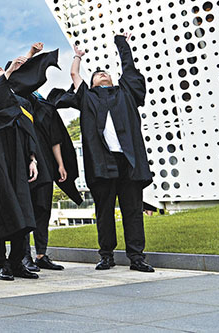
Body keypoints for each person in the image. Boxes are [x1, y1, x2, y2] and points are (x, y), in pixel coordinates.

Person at [71, 32, 155, 272]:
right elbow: (75, 75)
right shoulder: (87, 97)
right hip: (102, 163)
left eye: (105, 73)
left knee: (133, 212)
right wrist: (77, 57)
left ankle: (137, 258)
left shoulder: (125, 93)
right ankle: (106, 256)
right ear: (93, 82)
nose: (101, 74)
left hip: (128, 162)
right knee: (104, 212)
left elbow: (129, 68)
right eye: (97, 74)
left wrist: (122, 42)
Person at [5, 43, 83, 273]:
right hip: (25, 160)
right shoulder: (17, 97)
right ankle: (24, 256)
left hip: (46, 162)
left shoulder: (44, 103)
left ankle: (41, 254)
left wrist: (60, 164)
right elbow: (15, 73)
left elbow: (55, 137)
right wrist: (30, 54)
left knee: (42, 209)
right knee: (26, 209)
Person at [0, 56, 42, 281]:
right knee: (1, 207)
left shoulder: (19, 102)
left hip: (19, 157)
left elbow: (28, 131)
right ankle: (2, 263)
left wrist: (32, 158)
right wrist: (10, 69)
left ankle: (17, 262)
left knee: (23, 210)